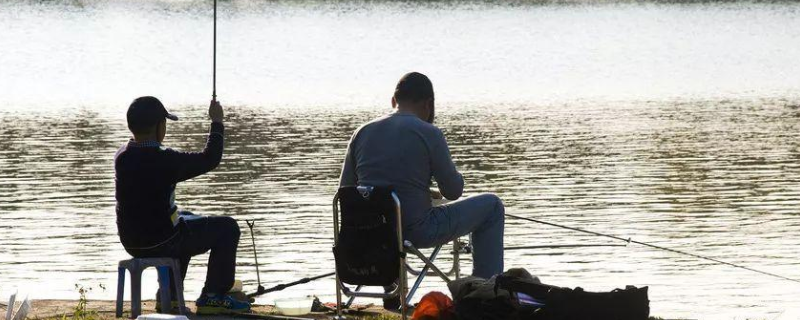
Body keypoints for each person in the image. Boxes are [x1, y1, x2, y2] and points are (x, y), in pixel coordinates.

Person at [338, 72, 506, 306]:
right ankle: (487, 295)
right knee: (492, 206)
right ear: (428, 104)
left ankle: (392, 292)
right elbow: (453, 191)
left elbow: (346, 191)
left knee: (386, 211)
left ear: (393, 101)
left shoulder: (362, 132)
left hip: (371, 233)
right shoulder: (430, 133)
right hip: (417, 231)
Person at [114, 96, 249, 315]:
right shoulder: (165, 159)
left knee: (184, 217)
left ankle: (171, 296)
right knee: (228, 228)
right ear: (160, 126)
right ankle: (213, 296)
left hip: (131, 242)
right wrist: (217, 122)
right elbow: (210, 158)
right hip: (162, 241)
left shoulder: (122, 156)